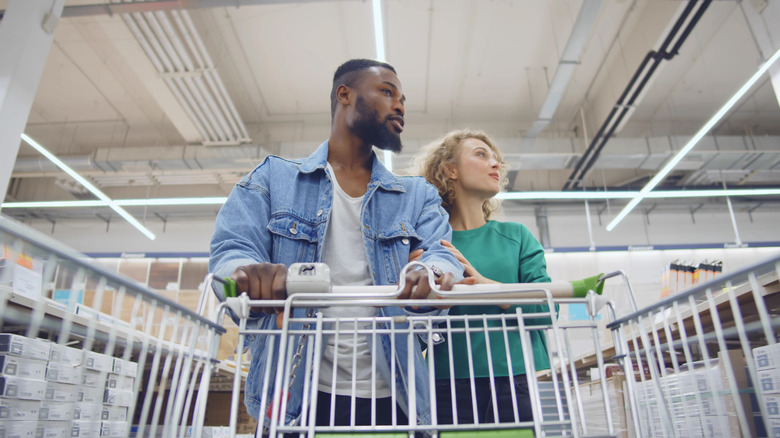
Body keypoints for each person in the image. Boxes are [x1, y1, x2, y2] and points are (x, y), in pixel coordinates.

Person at [209, 59, 463, 431]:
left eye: (403, 99)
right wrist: (247, 273)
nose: (400, 106)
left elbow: (441, 254)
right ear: (344, 95)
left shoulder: (415, 195)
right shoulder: (272, 179)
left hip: (396, 394)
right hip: (294, 393)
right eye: (387, 92)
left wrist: (432, 273)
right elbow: (231, 251)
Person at [413, 128, 553, 425]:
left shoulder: (516, 237)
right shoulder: (427, 246)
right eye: (481, 155)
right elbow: (413, 329)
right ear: (450, 170)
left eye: (496, 159)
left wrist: (488, 287)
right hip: (445, 384)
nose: (495, 164)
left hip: (515, 381)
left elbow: (546, 309)